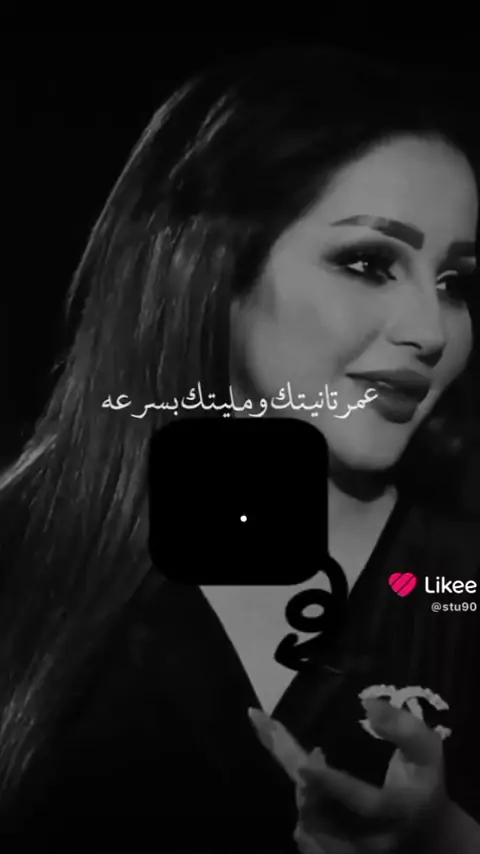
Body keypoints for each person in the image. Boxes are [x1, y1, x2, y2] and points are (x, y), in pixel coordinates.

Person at [0, 44, 479, 853]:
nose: (431, 332)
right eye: (368, 262)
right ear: (213, 267)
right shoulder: (21, 554)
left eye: (455, 282)